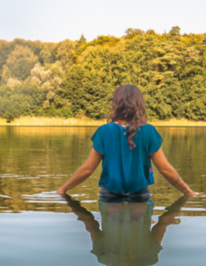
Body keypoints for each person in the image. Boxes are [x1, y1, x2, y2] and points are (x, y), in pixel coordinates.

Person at [56, 84, 197, 197]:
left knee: (109, 233)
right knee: (141, 233)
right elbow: (165, 169)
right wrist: (188, 192)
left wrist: (63, 189)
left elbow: (87, 169)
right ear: (139, 105)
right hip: (139, 194)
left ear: (116, 104)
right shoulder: (149, 131)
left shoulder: (104, 131)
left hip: (110, 194)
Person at [63, 193, 190, 266]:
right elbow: (88, 220)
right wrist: (68, 201)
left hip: (139, 196)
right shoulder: (105, 257)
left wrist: (183, 201)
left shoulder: (149, 257)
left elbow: (163, 223)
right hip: (111, 197)